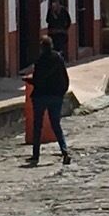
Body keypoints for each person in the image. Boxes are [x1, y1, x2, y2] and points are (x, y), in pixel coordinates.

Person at [27, 36, 71, 167]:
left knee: (37, 126)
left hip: (40, 96)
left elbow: (37, 79)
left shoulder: (40, 61)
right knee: (56, 125)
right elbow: (65, 78)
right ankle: (64, 151)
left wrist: (28, 80)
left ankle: (36, 155)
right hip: (56, 97)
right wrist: (61, 93)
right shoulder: (58, 58)